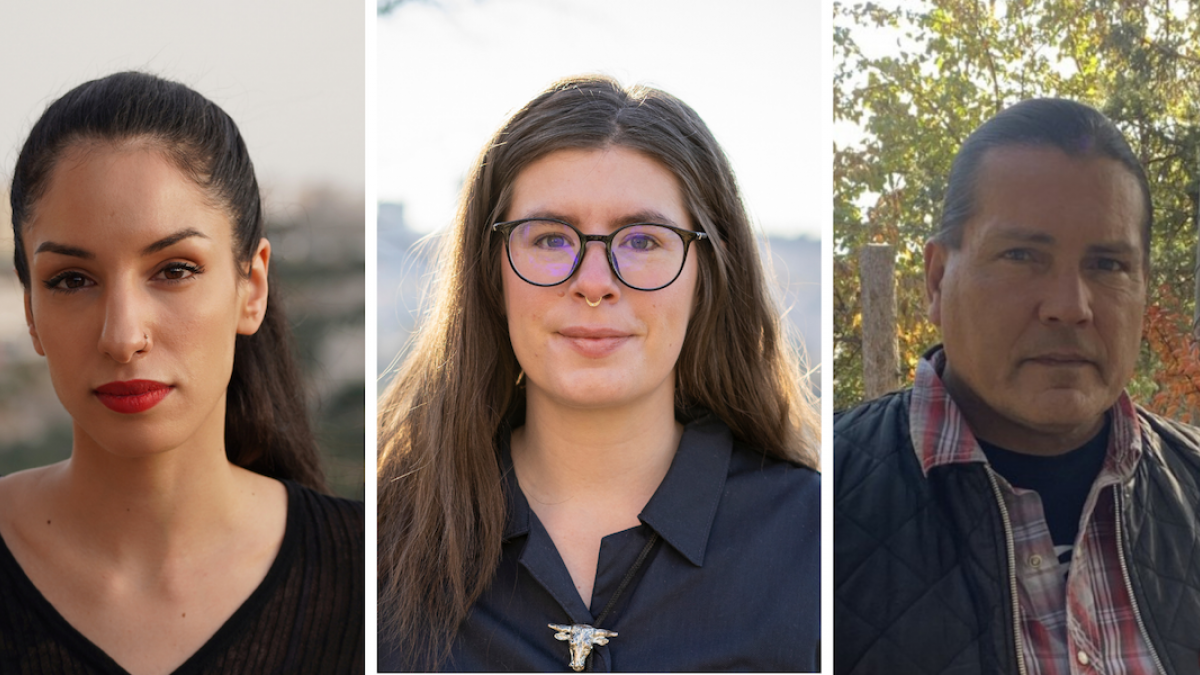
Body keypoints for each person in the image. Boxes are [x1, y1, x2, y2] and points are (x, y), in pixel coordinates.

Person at [377, 75, 821, 672]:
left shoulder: (820, 541)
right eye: (551, 238)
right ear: (491, 273)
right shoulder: (379, 540)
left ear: (707, 275)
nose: (593, 281)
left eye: (642, 240)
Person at [0, 72, 363, 674]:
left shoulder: (370, 575)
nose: (123, 337)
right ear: (31, 313)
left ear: (252, 287)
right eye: (71, 280)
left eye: (173, 270)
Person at [834, 98, 1200, 674]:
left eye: (1106, 265)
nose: (1069, 306)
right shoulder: (812, 506)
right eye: (1023, 255)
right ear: (935, 280)